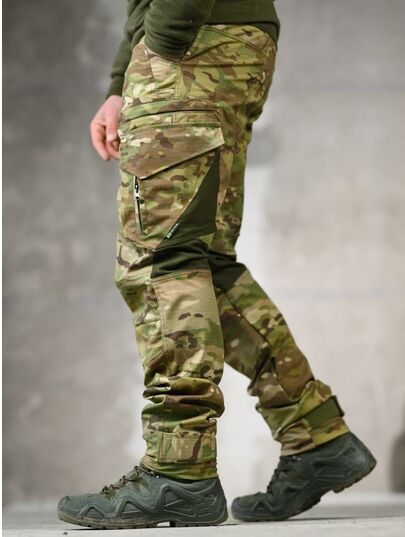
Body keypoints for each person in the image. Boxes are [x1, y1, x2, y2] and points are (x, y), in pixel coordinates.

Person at [57, 0, 376, 529]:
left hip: (191, 41)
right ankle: (316, 434)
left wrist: (161, 46)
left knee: (162, 262)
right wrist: (122, 81)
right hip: (222, 43)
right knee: (202, 262)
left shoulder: (176, 38)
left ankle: (178, 470)